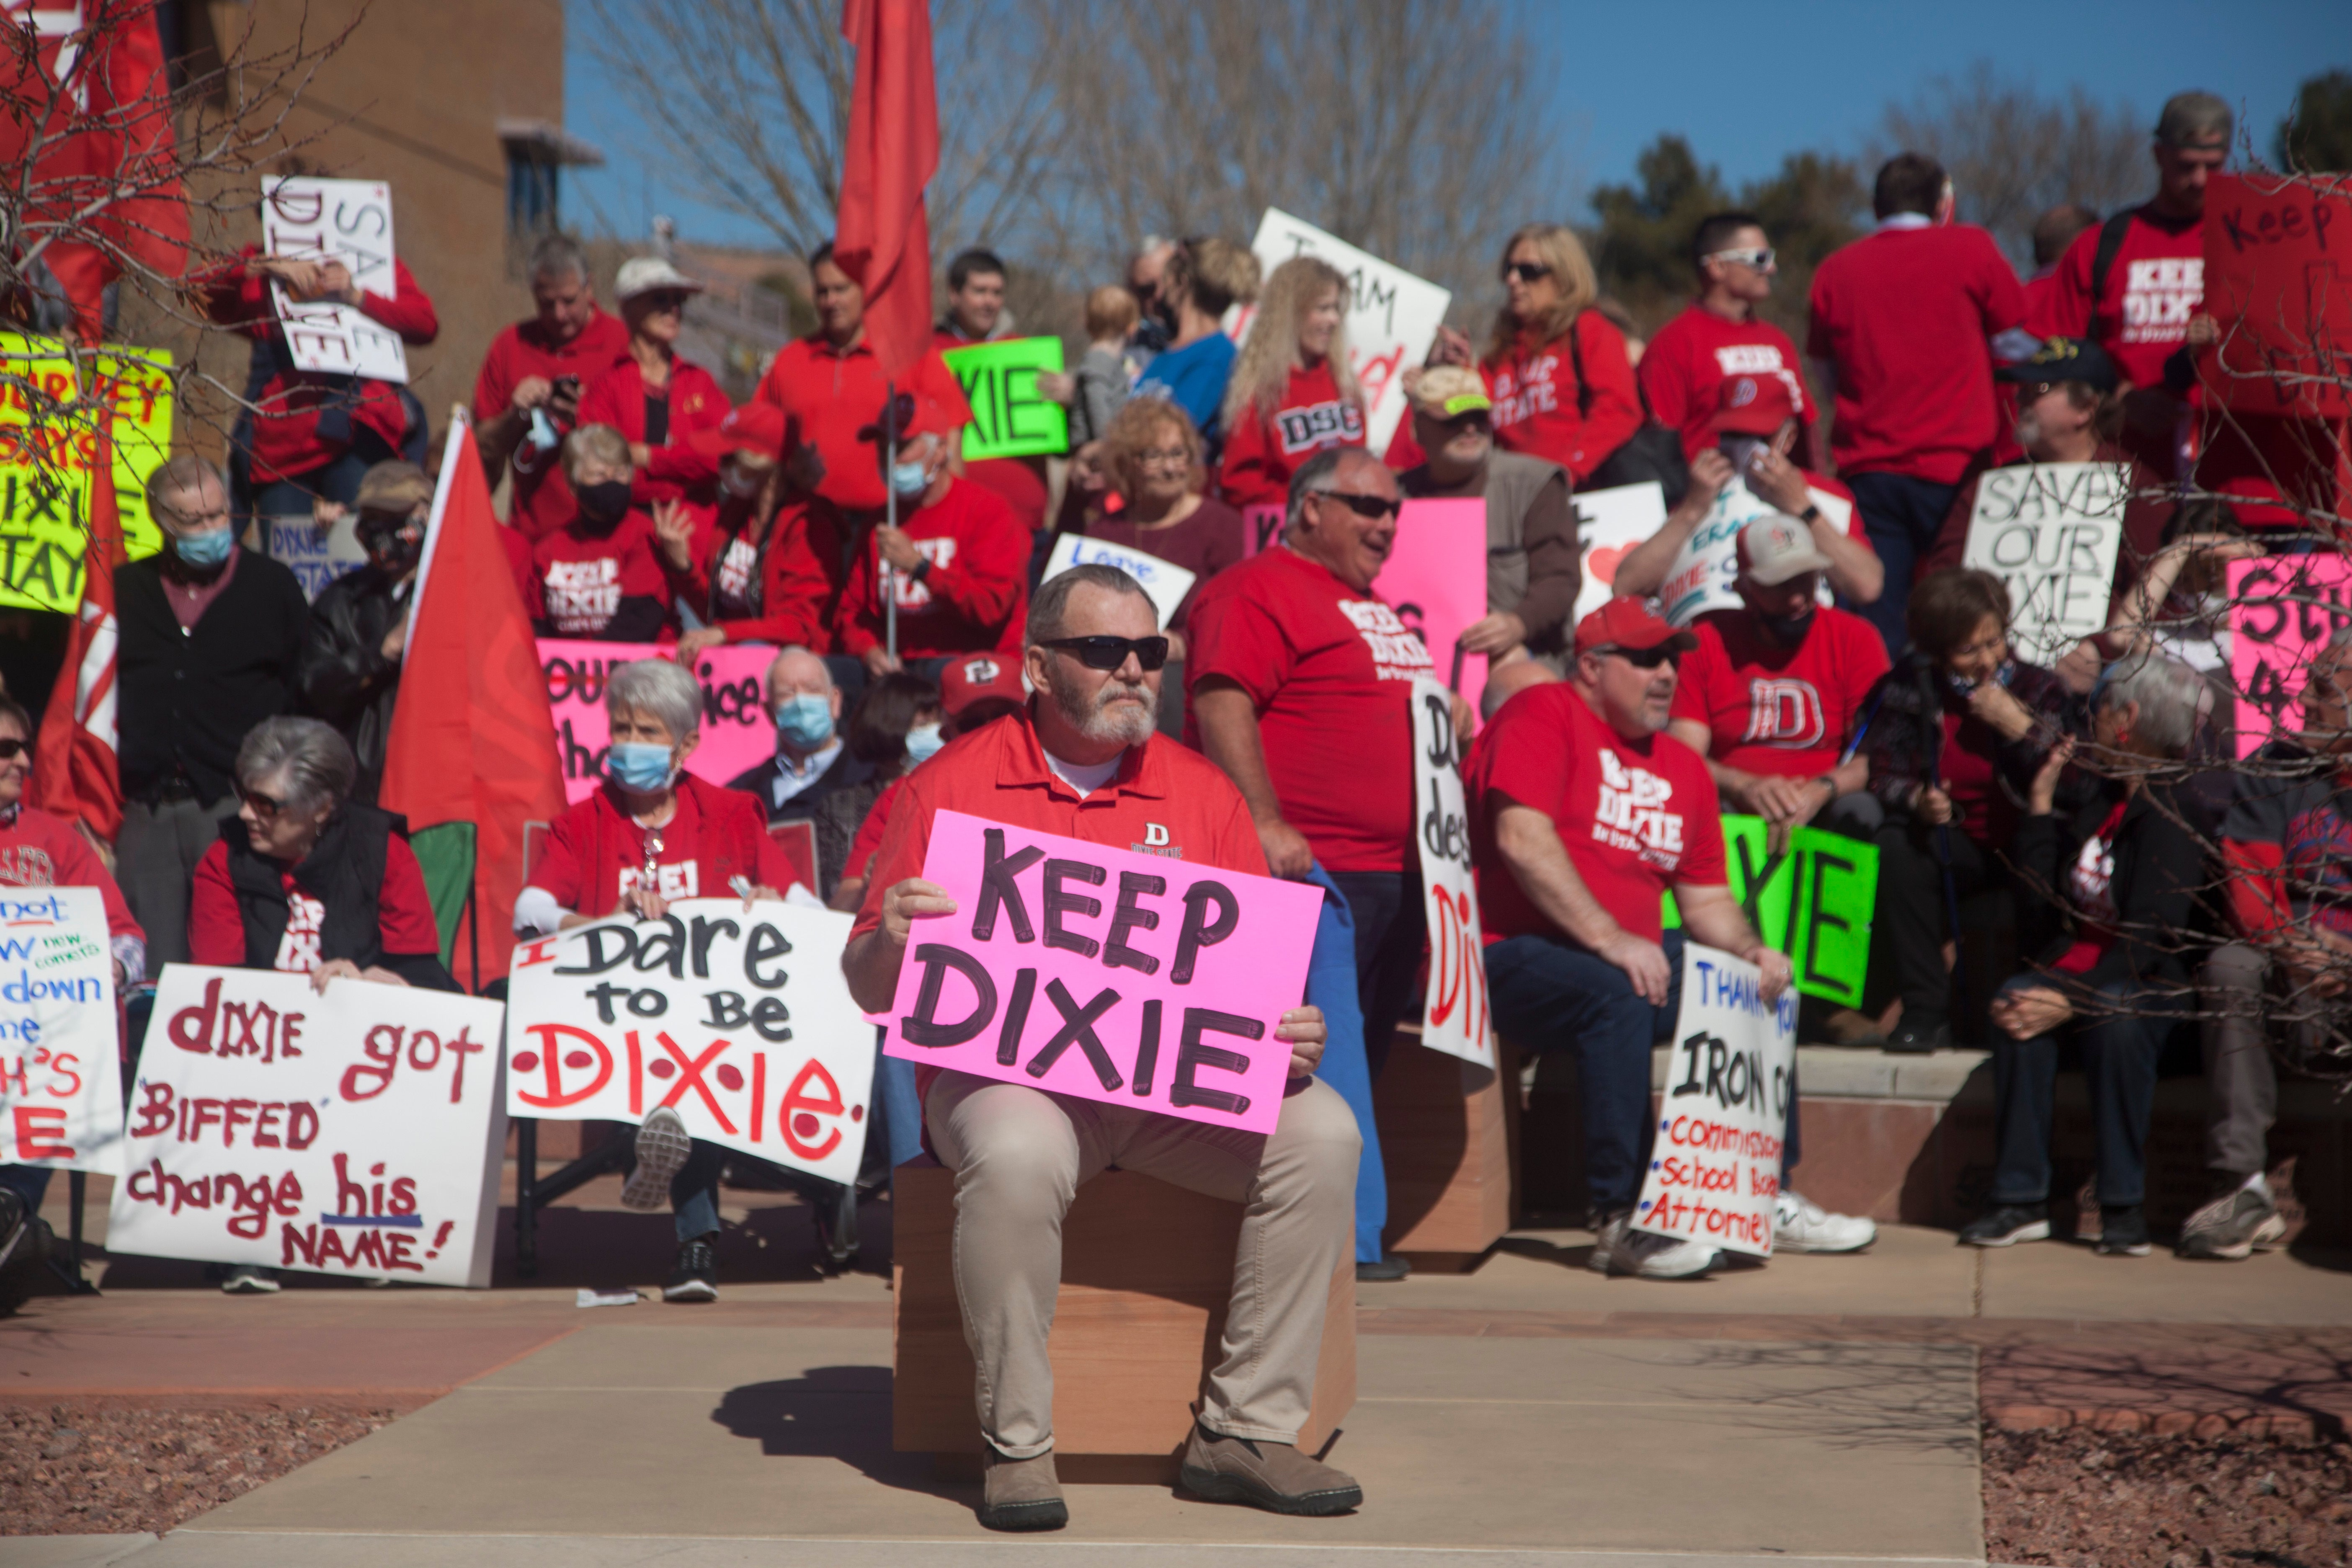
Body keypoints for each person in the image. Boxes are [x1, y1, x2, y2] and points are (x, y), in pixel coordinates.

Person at [842, 564, 1359, 1529]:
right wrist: (889, 942)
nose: (1133, 667)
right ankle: (1019, 1443)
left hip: (1167, 1090)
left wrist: (1293, 1032)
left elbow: (1255, 998)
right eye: (1103, 649)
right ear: (1038, 664)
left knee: (1323, 1131)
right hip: (1005, 1081)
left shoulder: (1205, 793)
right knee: (1018, 1150)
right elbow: (868, 988)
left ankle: (1243, 1429)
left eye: (1150, 650)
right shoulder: (944, 787)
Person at [1469, 597, 1792, 1278]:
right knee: (1617, 992)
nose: (1667, 674)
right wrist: (1610, 937)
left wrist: (1750, 950)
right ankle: (1621, 1217)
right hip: (1500, 953)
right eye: (1646, 658)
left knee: (1754, 985)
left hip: (1621, 956)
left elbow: (1706, 899)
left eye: (1672, 659)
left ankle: (1755, 1195)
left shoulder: (1682, 764)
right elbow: (1521, 840)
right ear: (1590, 666)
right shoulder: (1542, 712)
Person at [1188, 448, 1432, 1277]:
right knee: (1303, 1064)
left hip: (1393, 877)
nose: (1386, 523)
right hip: (1309, 877)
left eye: (1394, 510)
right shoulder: (1255, 588)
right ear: (1307, 508)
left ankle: (1335, 1231)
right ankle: (1318, 1246)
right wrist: (1261, 817)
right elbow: (1222, 697)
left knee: (1357, 1060)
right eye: (1366, 505)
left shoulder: (1366, 605)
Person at [514, 659, 797, 1304]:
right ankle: (696, 1241)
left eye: (647, 732)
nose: (629, 744)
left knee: (685, 1063)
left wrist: (768, 900)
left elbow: (802, 904)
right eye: (621, 728)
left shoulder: (730, 813)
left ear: (686, 745)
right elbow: (528, 911)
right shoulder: (583, 821)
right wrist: (601, 922)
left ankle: (671, 1181)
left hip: (714, 1020)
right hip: (609, 1017)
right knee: (681, 1072)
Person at [187, 716, 454, 1292]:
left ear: (322, 810)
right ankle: (247, 1242)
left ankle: (372, 1232)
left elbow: (424, 972)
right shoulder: (223, 861)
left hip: (364, 1050)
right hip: (263, 1053)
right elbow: (219, 986)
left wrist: (376, 982)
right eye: (245, 796)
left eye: (269, 804)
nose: (250, 815)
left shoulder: (382, 851)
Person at [1960, 656, 2210, 1257]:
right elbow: (2043, 925)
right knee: (2017, 1000)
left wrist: (2068, 1000)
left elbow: (2151, 942)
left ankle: (2122, 1207)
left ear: (2128, 717)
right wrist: (2042, 809)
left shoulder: (2174, 814)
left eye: (2096, 705)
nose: (2087, 718)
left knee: (2119, 1016)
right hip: (2090, 973)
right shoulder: (2100, 802)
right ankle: (2019, 1198)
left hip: (2156, 991)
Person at [1806, 154, 2031, 655]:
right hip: (1957, 467)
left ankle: (1885, 722)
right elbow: (2017, 342)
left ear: (1875, 205)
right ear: (1941, 202)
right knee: (1965, 619)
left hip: (1869, 471)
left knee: (1880, 623)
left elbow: (1825, 371)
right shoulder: (1970, 246)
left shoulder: (1835, 271)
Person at [1859, 570, 2078, 1053]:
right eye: (1968, 650)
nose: (1986, 660)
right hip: (1955, 841)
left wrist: (2020, 728)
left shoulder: (2039, 687)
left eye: (1994, 642)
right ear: (1938, 652)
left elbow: (2075, 782)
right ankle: (1924, 1011)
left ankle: (2042, 1008)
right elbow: (1883, 768)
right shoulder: (1910, 686)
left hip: (2027, 836)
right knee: (1897, 849)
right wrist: (1915, 799)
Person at [2188, 636, 2352, 1261]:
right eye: (2308, 682)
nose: (2303, 700)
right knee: (2231, 964)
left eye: (2324, 689)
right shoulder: (2271, 768)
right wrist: (2292, 945)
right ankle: (2241, 1189)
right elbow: (2250, 885)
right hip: (2292, 980)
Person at [116, 454, 309, 967]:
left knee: (232, 958)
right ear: (161, 522)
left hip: (232, 805)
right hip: (147, 807)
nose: (212, 529)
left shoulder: (272, 587)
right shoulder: (125, 591)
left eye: (219, 515)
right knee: (148, 962)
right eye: (195, 521)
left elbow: (302, 691)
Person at [1917, 337, 2180, 679]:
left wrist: (2098, 649)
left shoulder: (2136, 488)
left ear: (2086, 408)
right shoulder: (1994, 487)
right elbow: (1945, 578)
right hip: (1988, 671)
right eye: (2021, 390)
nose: (2020, 400)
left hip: (2099, 679)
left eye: (2038, 389)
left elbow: (2163, 597)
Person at [0, 693, 146, 1301]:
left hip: (41, 1050)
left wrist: (107, 968)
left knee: (47, 1080)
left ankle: (11, 1211)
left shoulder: (54, 839)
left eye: (24, 748)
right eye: (5, 749)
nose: (23, 761)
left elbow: (127, 936)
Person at [201, 234, 438, 562]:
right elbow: (203, 294)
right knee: (286, 567)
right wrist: (262, 265)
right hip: (282, 448)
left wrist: (358, 296)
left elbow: (425, 323)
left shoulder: (372, 258)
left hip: (360, 436)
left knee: (364, 556)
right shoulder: (264, 263)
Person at [2031, 93, 2232, 475]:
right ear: (2159, 156)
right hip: (2120, 468)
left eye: (2213, 166)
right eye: (2187, 166)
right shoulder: (2102, 245)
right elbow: (2054, 352)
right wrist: (2119, 397)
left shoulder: (2246, 241)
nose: (2200, 180)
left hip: (2224, 469)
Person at [1667, 514, 1890, 832]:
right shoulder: (1707, 638)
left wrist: (1821, 791)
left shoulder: (1855, 638)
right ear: (1744, 589)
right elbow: (1683, 755)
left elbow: (1876, 756)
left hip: (1824, 802)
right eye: (1780, 585)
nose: (1797, 598)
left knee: (1862, 811)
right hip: (1732, 804)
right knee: (1690, 802)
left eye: (1805, 578)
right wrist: (1743, 786)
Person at [1607, 374, 1883, 614]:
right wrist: (1691, 510)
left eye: (1756, 437)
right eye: (1732, 435)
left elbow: (1867, 586)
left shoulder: (1824, 494)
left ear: (1788, 438)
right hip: (1714, 649)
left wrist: (1801, 506)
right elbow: (1626, 586)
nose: (1741, 449)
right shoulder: (1699, 492)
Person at [753, 241, 970, 516]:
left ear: (865, 288)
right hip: (809, 527)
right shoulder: (790, 360)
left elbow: (950, 433)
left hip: (890, 525)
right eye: (822, 292)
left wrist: (952, 518)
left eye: (841, 289)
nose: (831, 301)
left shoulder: (910, 353)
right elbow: (760, 442)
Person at [833, 397, 1030, 681]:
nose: (889, 459)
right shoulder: (880, 522)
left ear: (940, 451)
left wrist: (920, 567)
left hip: (974, 666)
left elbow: (991, 608)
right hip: (900, 672)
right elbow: (852, 611)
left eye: (901, 447)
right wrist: (870, 651)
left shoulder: (987, 510)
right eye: (882, 448)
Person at [1396, 365, 1576, 666]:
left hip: (1525, 655)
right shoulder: (1394, 496)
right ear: (1418, 431)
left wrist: (1518, 624)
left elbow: (1561, 578)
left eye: (1479, 418)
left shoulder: (1535, 483)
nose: (1470, 429)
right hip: (1423, 656)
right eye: (1454, 420)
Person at [473, 233, 633, 541]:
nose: (560, 314)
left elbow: (643, 447)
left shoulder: (621, 344)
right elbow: (480, 455)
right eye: (547, 304)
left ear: (590, 286)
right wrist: (515, 415)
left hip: (607, 540)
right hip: (532, 537)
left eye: (570, 301)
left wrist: (588, 418)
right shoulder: (511, 345)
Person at [1082, 399, 1246, 685]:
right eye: (1154, 456)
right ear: (1127, 464)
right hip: (1112, 674)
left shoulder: (1223, 526)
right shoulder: (1103, 532)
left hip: (1189, 675)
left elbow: (1239, 614)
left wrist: (1183, 642)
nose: (1170, 468)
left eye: (1178, 453)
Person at [1463, 223, 1643, 485]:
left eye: (1530, 272)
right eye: (1508, 269)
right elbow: (1472, 423)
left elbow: (1619, 410)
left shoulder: (1589, 330)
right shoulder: (1498, 356)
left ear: (1565, 277)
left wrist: (1567, 472)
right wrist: (1453, 373)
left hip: (1582, 490)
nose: (1513, 280)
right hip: (1520, 497)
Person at [296, 460, 431, 803]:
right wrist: (383, 654)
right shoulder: (340, 600)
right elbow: (315, 687)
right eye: (371, 520)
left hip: (429, 792)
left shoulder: (458, 591)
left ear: (427, 515)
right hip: (358, 793)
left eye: (395, 518)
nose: (381, 532)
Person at [656, 403, 833, 661]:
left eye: (729, 457)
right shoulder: (737, 512)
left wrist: (723, 634)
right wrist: (683, 567)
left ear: (764, 465)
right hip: (735, 657)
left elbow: (798, 626)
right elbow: (716, 613)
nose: (719, 465)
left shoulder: (811, 524)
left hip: (791, 663)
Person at [1640, 212, 1813, 462]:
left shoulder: (1779, 341)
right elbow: (1659, 449)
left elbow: (1808, 431)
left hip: (1780, 494)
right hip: (1710, 495)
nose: (1772, 269)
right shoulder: (1674, 344)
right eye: (1761, 259)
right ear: (1718, 266)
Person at [576, 256, 732, 521]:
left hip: (695, 536)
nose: (673, 310)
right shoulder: (606, 386)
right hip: (628, 535)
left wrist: (648, 457)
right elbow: (600, 469)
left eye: (678, 300)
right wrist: (685, 466)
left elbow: (723, 457)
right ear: (627, 308)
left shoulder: (700, 383)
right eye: (660, 299)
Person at [1216, 256, 1365, 510]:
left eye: (1336, 309)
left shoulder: (1344, 383)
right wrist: (1308, 506)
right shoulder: (1259, 390)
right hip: (1291, 530)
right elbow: (1240, 484)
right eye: (1323, 308)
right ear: (1291, 312)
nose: (1334, 320)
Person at [934, 248, 1052, 534]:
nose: (990, 302)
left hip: (1024, 523)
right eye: (980, 291)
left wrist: (1066, 398)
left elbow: (1059, 435)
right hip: (962, 524)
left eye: (997, 293)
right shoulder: (930, 354)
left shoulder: (1026, 352)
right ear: (954, 294)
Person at [812, 671, 944, 906]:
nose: (938, 733)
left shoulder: (946, 789)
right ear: (891, 725)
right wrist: (868, 882)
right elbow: (835, 904)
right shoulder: (841, 808)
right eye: (925, 725)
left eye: (939, 721)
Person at [530, 424, 672, 641]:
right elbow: (535, 627)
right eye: (599, 475)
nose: (612, 483)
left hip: (636, 664)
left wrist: (584, 663)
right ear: (573, 485)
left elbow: (638, 622)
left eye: (620, 473)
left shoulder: (644, 535)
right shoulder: (548, 550)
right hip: (564, 668)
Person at [1132, 237, 1260, 456]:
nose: (1161, 293)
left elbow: (1168, 440)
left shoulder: (1217, 356)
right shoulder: (1167, 353)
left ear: (1181, 283)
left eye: (1166, 280)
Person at [729, 646, 874, 825]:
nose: (801, 702)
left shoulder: (870, 778)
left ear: (835, 701)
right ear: (770, 712)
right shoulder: (742, 794)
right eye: (786, 694)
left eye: (813, 689)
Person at [1064, 284, 1138, 449]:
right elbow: (1098, 409)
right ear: (1132, 328)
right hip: (1094, 454)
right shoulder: (1098, 361)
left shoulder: (1109, 362)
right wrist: (1109, 444)